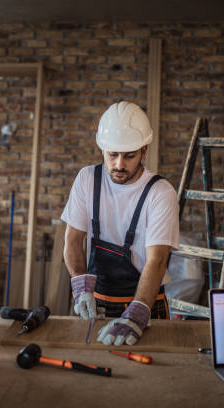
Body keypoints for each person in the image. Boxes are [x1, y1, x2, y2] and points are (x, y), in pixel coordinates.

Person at [62, 101, 179, 347]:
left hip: (145, 304)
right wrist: (80, 284)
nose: (119, 165)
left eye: (129, 156)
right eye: (112, 154)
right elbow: (73, 239)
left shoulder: (160, 192)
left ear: (144, 151)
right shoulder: (87, 180)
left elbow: (157, 260)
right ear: (102, 148)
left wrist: (138, 312)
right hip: (98, 303)